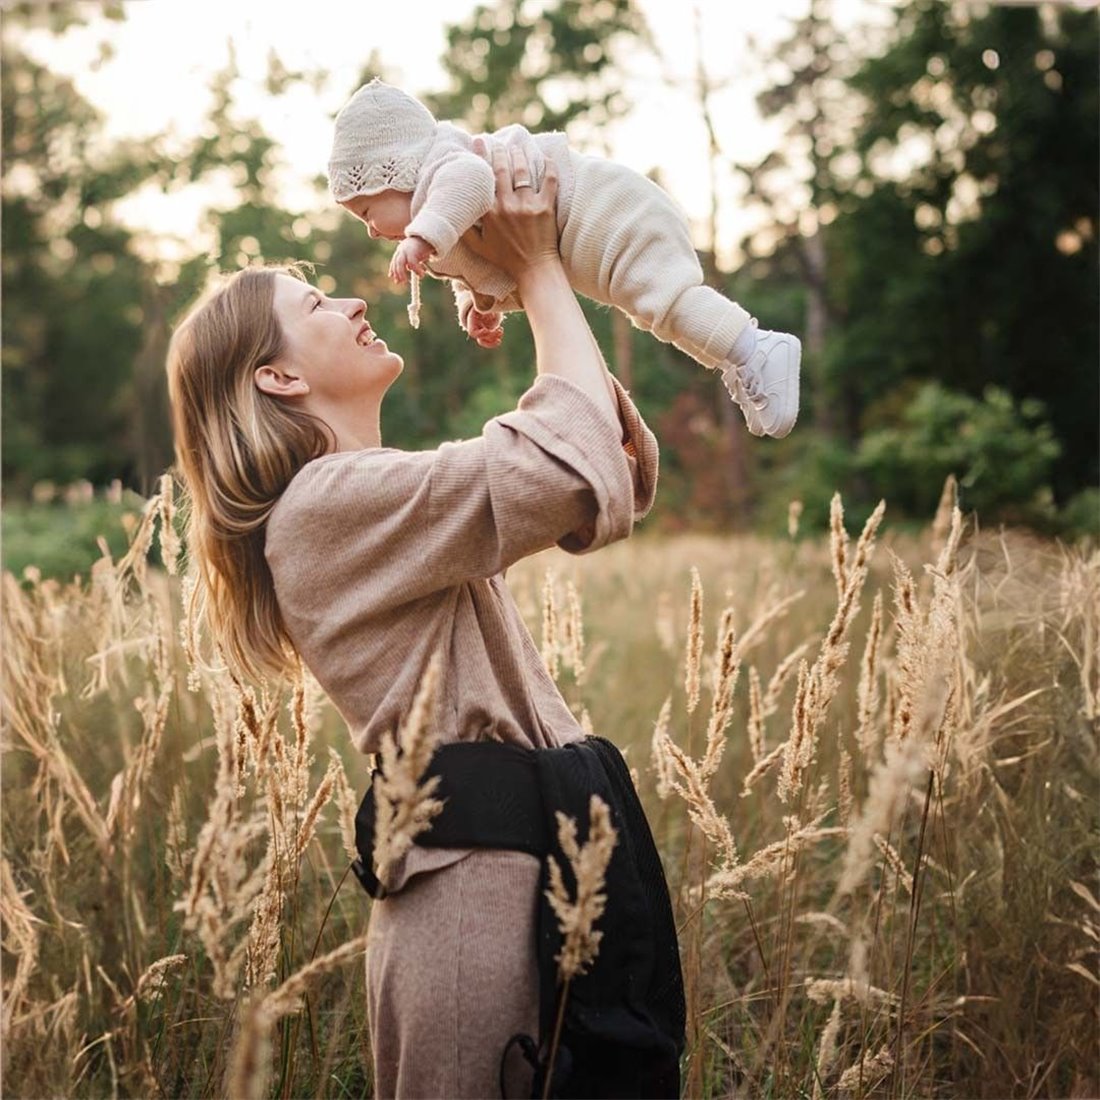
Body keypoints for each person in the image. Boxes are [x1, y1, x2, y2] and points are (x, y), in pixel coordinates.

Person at [166, 143, 683, 1098]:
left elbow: (594, 461)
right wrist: (533, 266)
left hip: (524, 879)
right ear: (277, 379)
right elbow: (566, 470)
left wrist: (526, 281)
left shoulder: (372, 499)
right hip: (470, 916)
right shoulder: (322, 508)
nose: (354, 302)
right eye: (315, 306)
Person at [328, 78, 801, 440]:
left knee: (670, 301)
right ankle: (738, 361)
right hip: (596, 234)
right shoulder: (439, 210)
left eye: (367, 211)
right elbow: (485, 256)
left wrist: (419, 237)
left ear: (396, 169)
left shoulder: (445, 165)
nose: (371, 230)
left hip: (611, 213)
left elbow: (470, 184)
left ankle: (754, 348)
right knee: (657, 313)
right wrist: (477, 304)